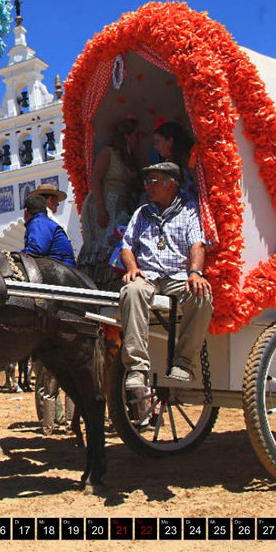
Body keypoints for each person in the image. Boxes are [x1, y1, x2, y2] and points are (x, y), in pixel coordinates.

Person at [118, 162, 212, 389]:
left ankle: (184, 362)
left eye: (153, 181)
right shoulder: (142, 213)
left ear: (171, 183)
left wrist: (196, 273)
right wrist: (132, 268)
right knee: (131, 291)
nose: (148, 187)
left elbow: (197, 244)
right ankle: (137, 368)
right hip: (147, 276)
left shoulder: (189, 211)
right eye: (146, 182)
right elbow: (127, 246)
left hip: (178, 277)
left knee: (201, 296)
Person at [80, 118, 142, 288]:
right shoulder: (109, 152)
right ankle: (95, 282)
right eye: (136, 135)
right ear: (126, 136)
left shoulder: (131, 158)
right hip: (104, 203)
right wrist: (101, 208)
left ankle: (112, 281)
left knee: (118, 241)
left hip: (122, 207)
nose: (138, 139)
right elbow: (96, 178)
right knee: (102, 242)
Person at [22, 192, 76, 267]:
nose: (58, 204)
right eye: (57, 200)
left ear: (26, 210)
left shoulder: (38, 222)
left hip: (59, 266)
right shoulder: (43, 221)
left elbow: (36, 249)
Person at [152, 120, 197, 201]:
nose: (155, 147)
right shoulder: (167, 164)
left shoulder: (190, 160)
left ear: (169, 141)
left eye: (158, 141)